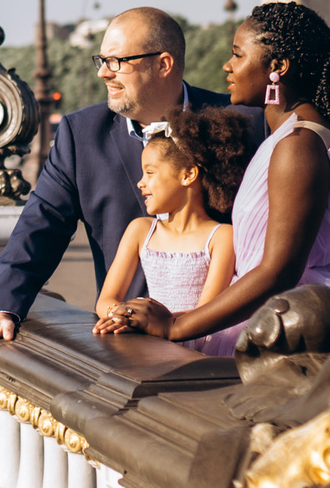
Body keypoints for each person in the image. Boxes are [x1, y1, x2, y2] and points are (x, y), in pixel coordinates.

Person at [104, 1, 330, 355]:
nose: (228, 66)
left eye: (238, 56)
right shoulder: (299, 135)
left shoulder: (297, 145)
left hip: (287, 320)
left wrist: (176, 325)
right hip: (288, 308)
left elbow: (277, 272)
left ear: (277, 68)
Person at [0, 7, 249, 371]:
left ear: (163, 64)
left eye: (117, 61)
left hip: (225, 351)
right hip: (124, 354)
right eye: (101, 60)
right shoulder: (80, 134)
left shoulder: (242, 123)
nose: (103, 72)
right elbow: (42, 224)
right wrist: (3, 307)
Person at [90, 107, 248, 335]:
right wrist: (124, 315)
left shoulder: (222, 237)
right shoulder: (140, 230)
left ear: (187, 175)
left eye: (150, 173)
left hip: (196, 350)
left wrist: (153, 322)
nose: (140, 183)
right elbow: (106, 300)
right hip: (147, 346)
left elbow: (207, 312)